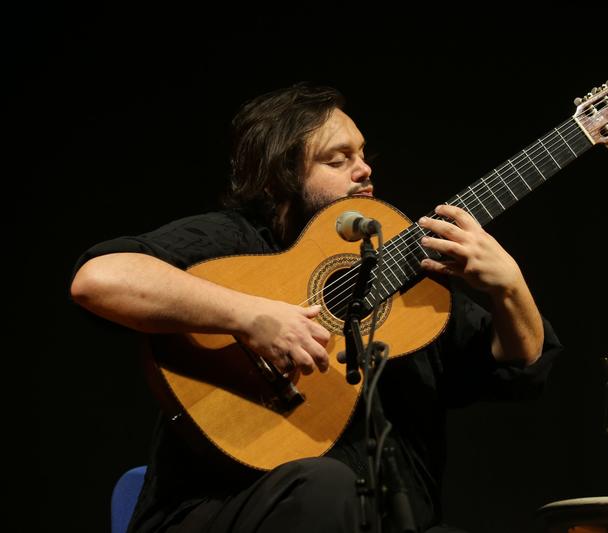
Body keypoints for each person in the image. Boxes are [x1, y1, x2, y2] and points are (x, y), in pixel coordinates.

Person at [70, 83, 563, 533]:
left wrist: (509, 285)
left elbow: (519, 364)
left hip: (390, 521)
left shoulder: (405, 275)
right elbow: (100, 279)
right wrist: (249, 316)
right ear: (276, 179)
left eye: (363, 154)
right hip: (224, 510)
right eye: (337, 159)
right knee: (328, 487)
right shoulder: (236, 241)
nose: (364, 168)